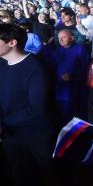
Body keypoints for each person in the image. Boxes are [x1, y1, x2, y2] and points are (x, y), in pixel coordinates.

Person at [0, 23, 53, 186]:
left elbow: (36, 109)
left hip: (34, 136)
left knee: (37, 177)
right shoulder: (2, 63)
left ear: (12, 43)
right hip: (10, 134)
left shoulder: (35, 67)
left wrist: (3, 124)